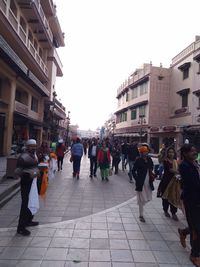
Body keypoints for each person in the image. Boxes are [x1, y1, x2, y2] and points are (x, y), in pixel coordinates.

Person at [179, 144, 200, 267]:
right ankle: (195, 254)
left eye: (195, 150)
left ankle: (184, 232)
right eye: (192, 151)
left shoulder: (195, 164)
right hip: (192, 201)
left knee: (195, 225)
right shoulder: (184, 166)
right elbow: (194, 184)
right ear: (185, 153)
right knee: (196, 229)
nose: (195, 152)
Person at [15, 139, 40, 236]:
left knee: (32, 201)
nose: (33, 148)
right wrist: (29, 174)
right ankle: (21, 227)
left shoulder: (34, 155)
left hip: (33, 182)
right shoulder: (23, 157)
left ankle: (29, 220)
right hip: (26, 183)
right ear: (27, 146)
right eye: (32, 146)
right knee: (25, 204)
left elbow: (34, 166)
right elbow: (17, 172)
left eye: (35, 146)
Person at [132, 144, 155, 222]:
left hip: (148, 181)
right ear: (141, 153)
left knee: (148, 197)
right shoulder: (138, 160)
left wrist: (151, 172)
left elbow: (152, 167)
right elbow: (133, 171)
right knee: (141, 199)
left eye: (146, 151)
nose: (145, 153)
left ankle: (142, 209)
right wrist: (137, 179)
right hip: (141, 182)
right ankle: (141, 215)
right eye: (143, 152)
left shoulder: (149, 159)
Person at [157, 147, 179, 221]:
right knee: (165, 197)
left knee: (174, 196)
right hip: (166, 181)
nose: (171, 154)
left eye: (172, 152)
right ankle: (165, 210)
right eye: (169, 152)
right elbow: (170, 170)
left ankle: (173, 212)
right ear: (167, 153)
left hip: (174, 182)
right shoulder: (165, 161)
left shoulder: (176, 161)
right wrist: (179, 172)